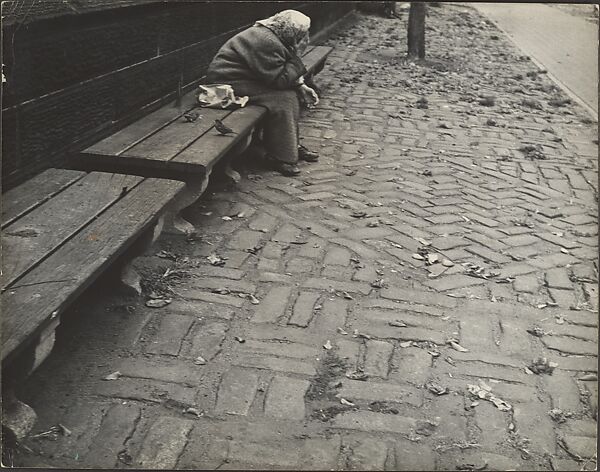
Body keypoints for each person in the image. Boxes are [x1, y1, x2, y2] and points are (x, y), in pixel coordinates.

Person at [205, 10, 320, 176]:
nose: (305, 37)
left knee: (289, 95)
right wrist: (298, 55)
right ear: (290, 31)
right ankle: (282, 157)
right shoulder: (266, 40)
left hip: (247, 79)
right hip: (228, 84)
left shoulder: (272, 34)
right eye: (302, 33)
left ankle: (289, 146)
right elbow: (279, 80)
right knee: (283, 99)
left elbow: (279, 69)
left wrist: (300, 85)